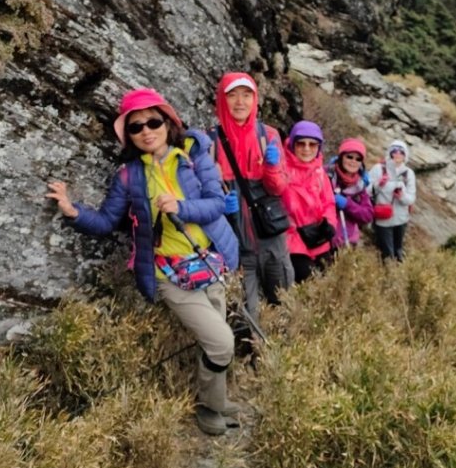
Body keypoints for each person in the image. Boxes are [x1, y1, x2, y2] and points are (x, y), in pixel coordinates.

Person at [46, 87, 240, 437]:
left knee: (213, 341)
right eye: (136, 127)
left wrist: (181, 208)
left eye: (153, 121)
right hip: (168, 273)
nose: (147, 131)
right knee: (222, 341)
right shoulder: (128, 177)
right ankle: (209, 408)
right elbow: (106, 222)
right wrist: (72, 210)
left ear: (168, 123)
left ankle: (219, 400)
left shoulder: (195, 160)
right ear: (130, 136)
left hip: (209, 263)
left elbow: (215, 203)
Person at [209, 72, 292, 322]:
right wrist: (221, 206)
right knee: (247, 316)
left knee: (284, 306)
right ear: (222, 100)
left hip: (272, 242)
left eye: (247, 95)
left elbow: (278, 188)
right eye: (232, 95)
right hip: (235, 247)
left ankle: (282, 359)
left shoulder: (269, 135)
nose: (240, 102)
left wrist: (272, 168)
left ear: (255, 99)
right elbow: (202, 194)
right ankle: (252, 359)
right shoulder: (210, 140)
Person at [281, 120, 338, 282]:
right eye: (301, 144)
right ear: (292, 144)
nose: (306, 149)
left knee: (330, 282)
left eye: (312, 145)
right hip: (292, 240)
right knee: (309, 281)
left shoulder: (320, 173)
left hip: (318, 237)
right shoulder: (281, 170)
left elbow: (329, 203)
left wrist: (330, 223)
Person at [369, 139, 416, 261]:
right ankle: (389, 273)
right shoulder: (378, 169)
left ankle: (398, 272)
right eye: (394, 151)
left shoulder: (408, 173)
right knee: (387, 253)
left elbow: (411, 198)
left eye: (401, 152)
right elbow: (366, 191)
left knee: (398, 250)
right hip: (383, 219)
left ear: (405, 155)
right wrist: (379, 184)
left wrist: (401, 196)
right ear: (390, 153)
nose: (397, 154)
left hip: (401, 219)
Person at [326, 138, 374, 248]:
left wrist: (347, 204)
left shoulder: (360, 185)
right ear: (341, 156)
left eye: (358, 159)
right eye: (349, 157)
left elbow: (367, 215)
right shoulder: (326, 175)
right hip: (323, 239)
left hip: (347, 242)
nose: (353, 161)